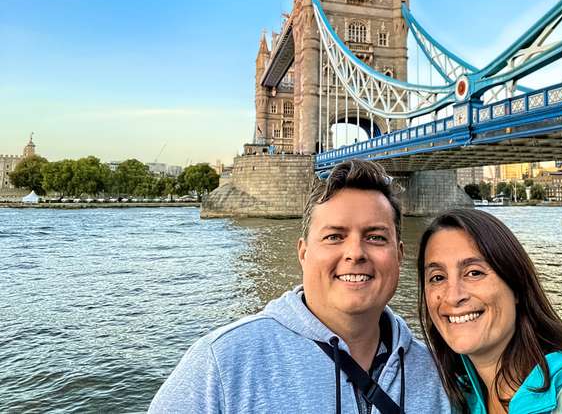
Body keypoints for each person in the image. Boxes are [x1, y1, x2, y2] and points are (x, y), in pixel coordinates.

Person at [149, 159, 451, 413]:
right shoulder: (222, 364)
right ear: (303, 253)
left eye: (375, 237)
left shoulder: (439, 376)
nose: (355, 253)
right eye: (334, 236)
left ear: (399, 254)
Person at [417, 209, 562, 414]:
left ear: (516, 287)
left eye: (474, 273)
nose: (453, 296)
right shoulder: (462, 398)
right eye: (437, 277)